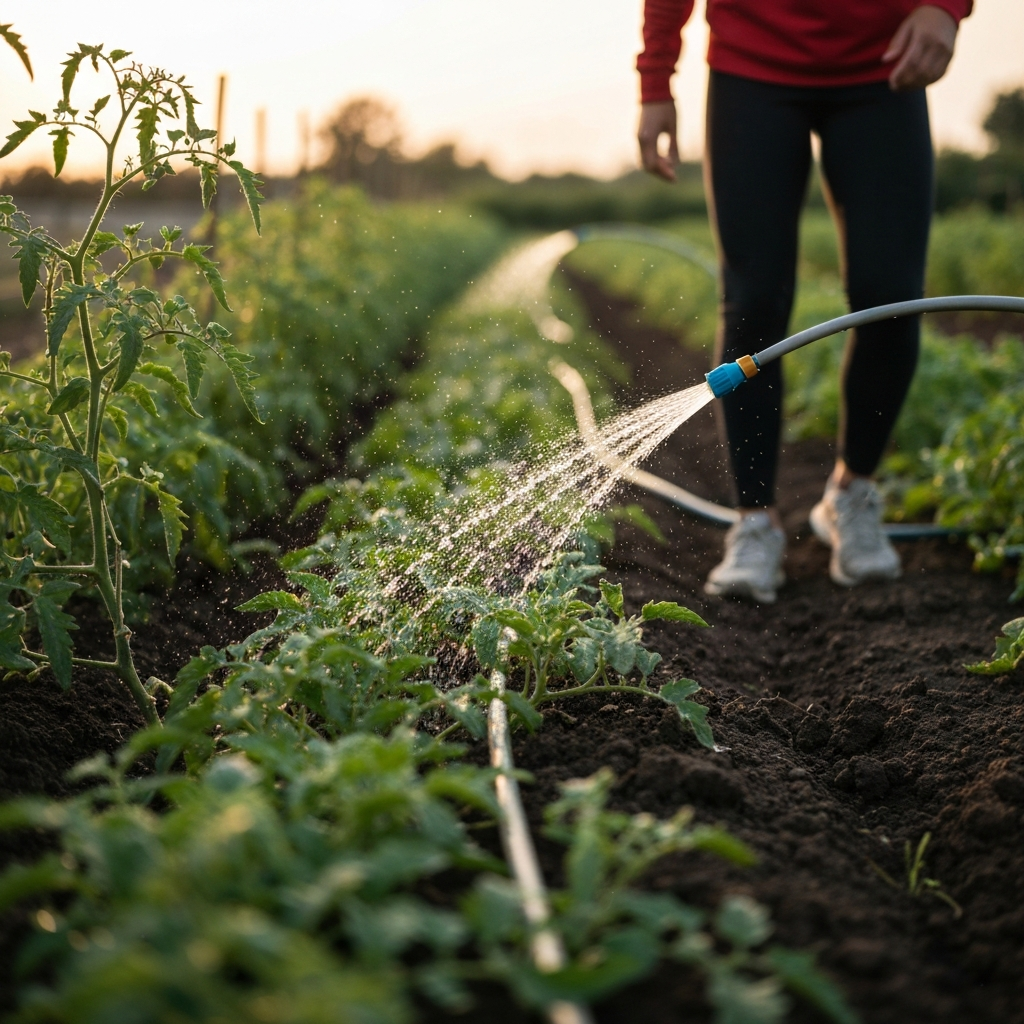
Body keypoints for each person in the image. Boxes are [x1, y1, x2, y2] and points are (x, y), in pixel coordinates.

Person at [637, 0, 970, 603]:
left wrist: (947, 9)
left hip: (887, 62)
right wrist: (655, 80)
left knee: (891, 299)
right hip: (752, 69)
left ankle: (851, 494)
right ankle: (755, 522)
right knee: (752, 302)